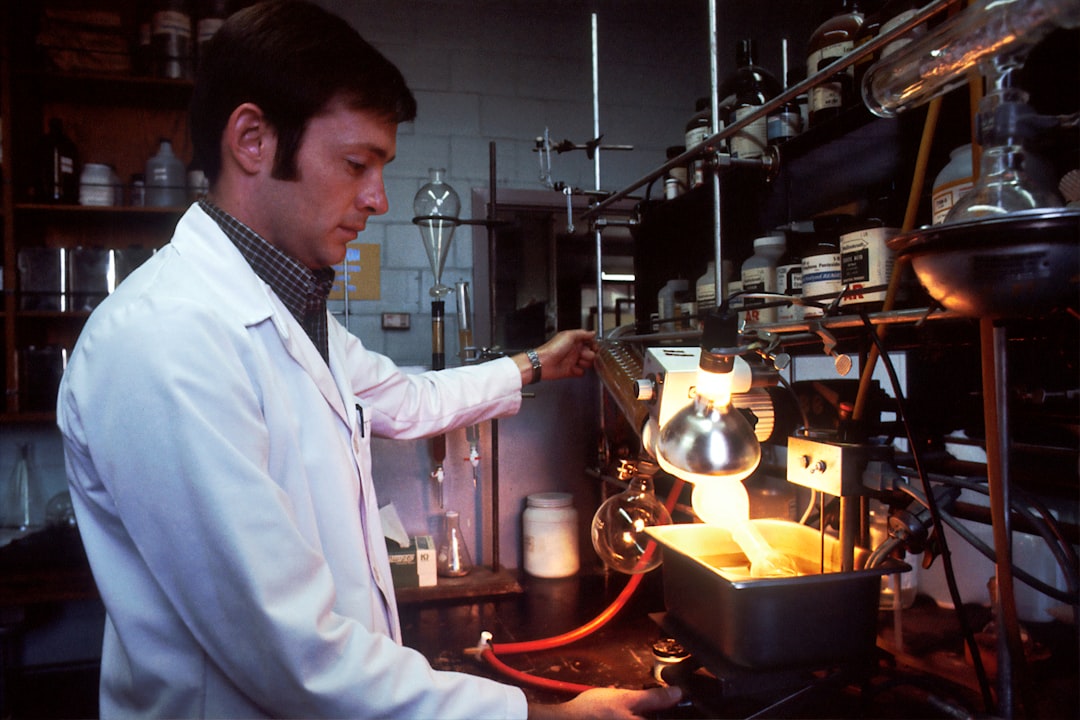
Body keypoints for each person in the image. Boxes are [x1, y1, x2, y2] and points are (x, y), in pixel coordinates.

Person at [56, 1, 682, 718]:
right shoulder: (164, 340)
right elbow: (293, 655)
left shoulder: (292, 312)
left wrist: (537, 364)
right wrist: (538, 716)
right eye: (357, 164)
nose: (378, 198)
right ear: (253, 140)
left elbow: (404, 400)